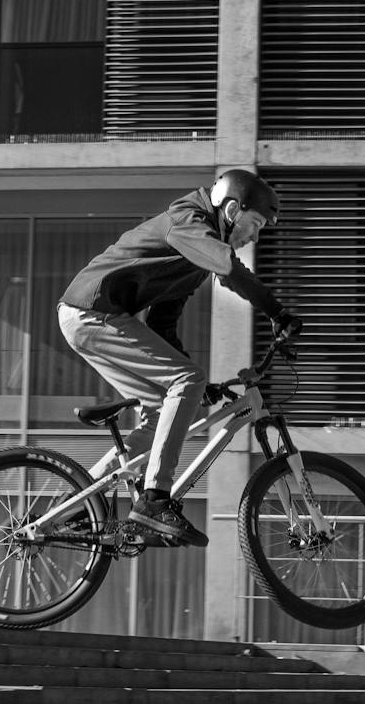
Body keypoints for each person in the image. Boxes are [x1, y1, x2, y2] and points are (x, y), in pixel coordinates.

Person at [59, 168, 300, 549]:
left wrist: (196, 389)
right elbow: (229, 268)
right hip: (92, 311)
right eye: (254, 224)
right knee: (187, 378)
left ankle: (79, 507)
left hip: (93, 318)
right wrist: (277, 312)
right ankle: (154, 501)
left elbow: (163, 324)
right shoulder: (188, 221)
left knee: (165, 407)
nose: (254, 236)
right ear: (233, 209)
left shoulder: (192, 258)